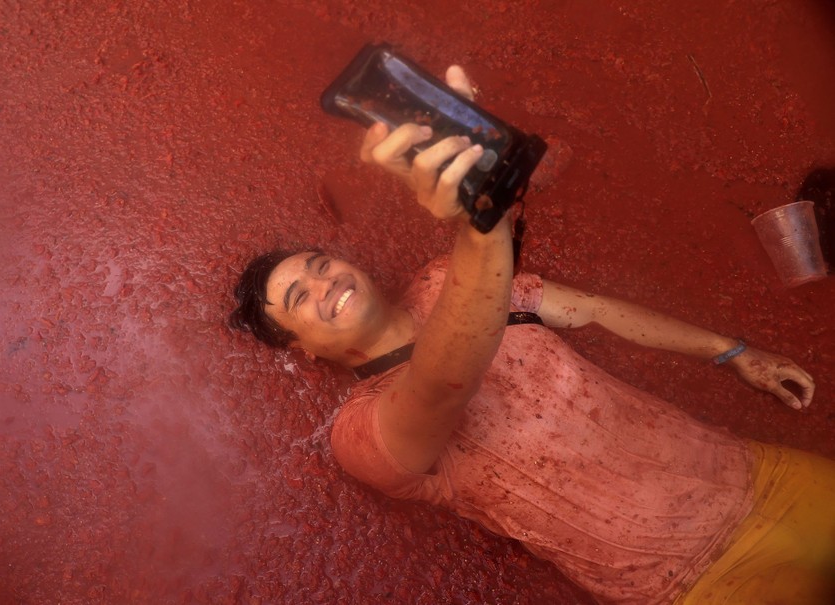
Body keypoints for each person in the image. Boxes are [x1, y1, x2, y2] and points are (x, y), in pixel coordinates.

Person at [229, 66, 835, 604]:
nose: (324, 283)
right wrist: (481, 219)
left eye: (318, 265)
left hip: (758, 474)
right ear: (302, 349)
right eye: (298, 298)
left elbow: (595, 311)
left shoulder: (442, 279)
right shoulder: (359, 433)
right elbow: (441, 383)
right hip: (693, 580)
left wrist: (732, 351)